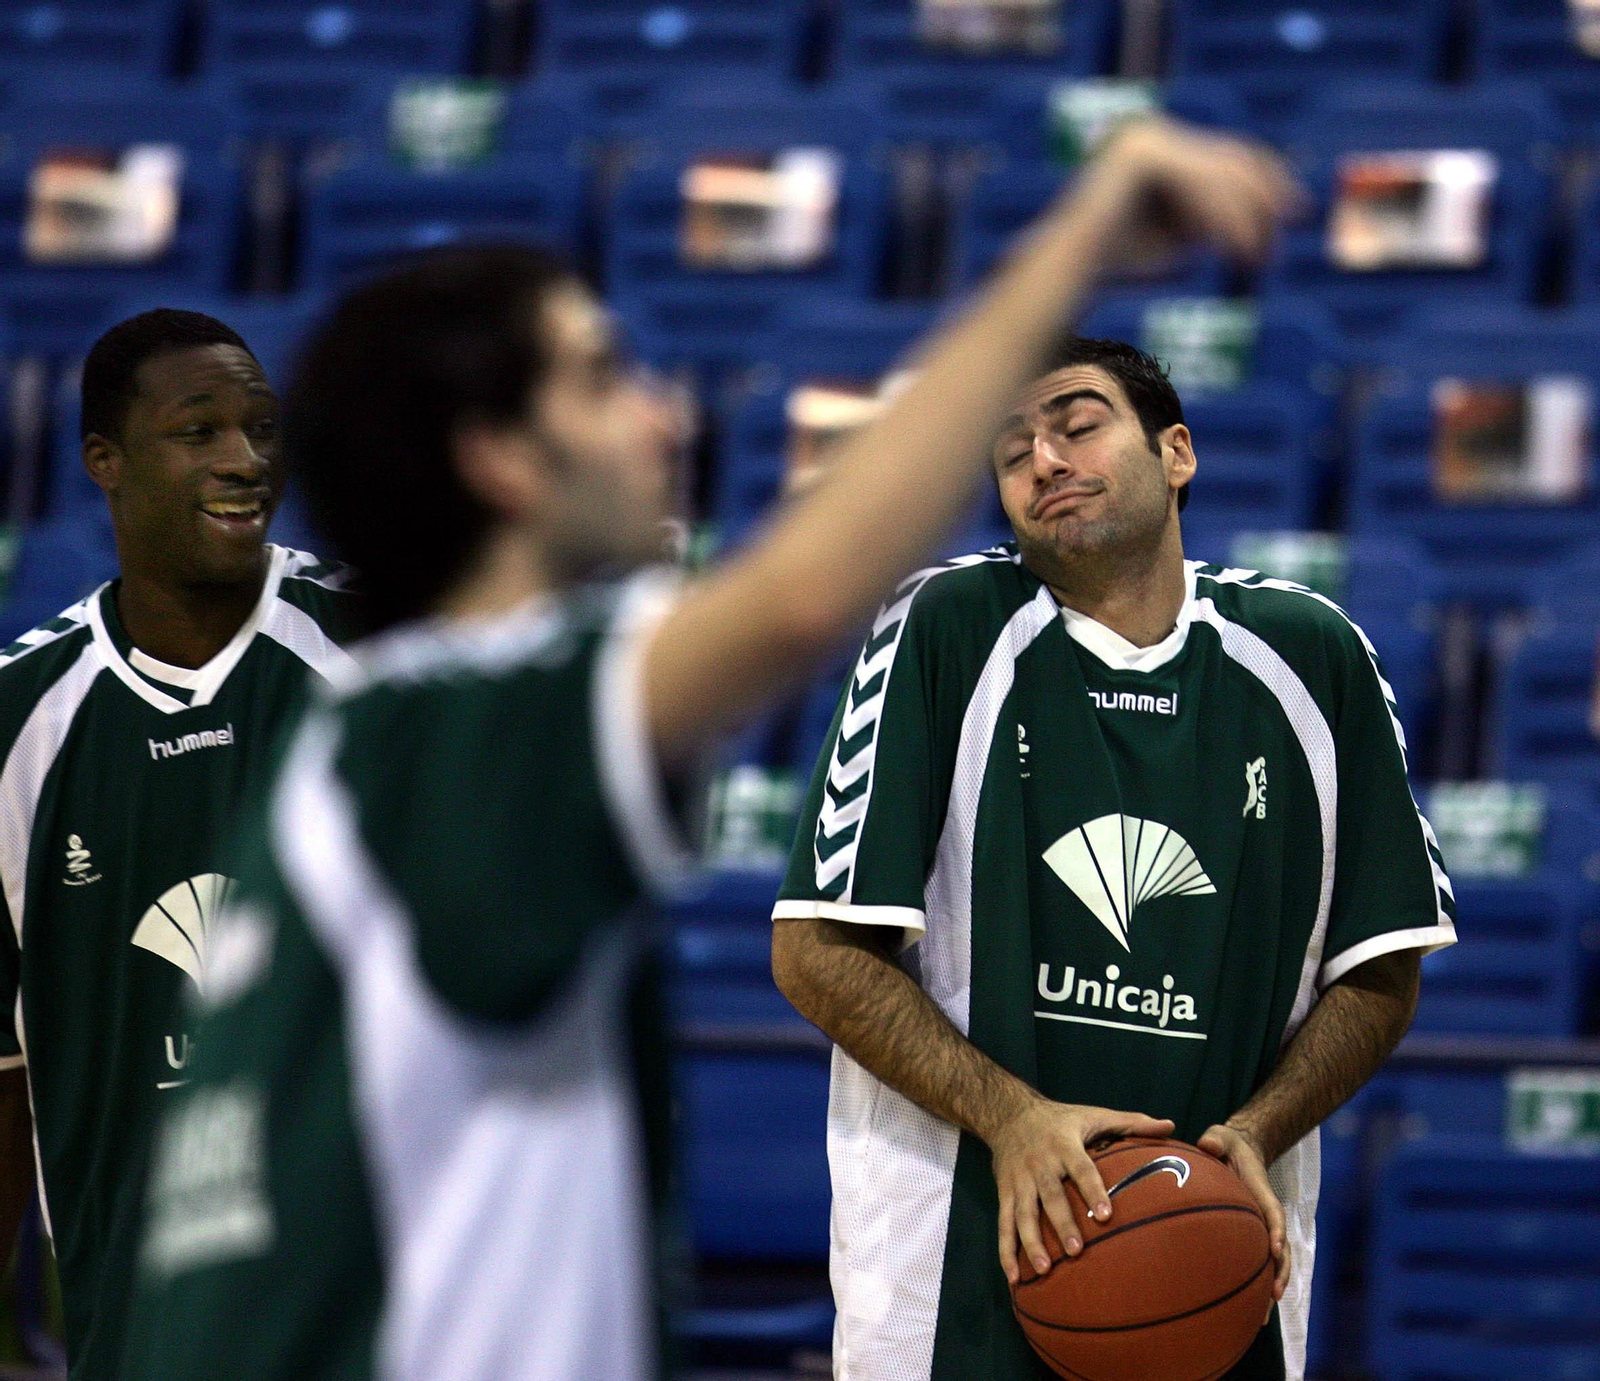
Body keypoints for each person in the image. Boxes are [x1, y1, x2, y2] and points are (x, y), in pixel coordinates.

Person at [121, 118, 1296, 1380]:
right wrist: (1083, 232)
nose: (662, 409)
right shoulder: (462, 729)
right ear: (504, 461)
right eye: (599, 376)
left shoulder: (377, 746)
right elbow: (800, 595)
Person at [771, 334, 1458, 1381]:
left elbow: (1379, 971)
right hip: (950, 1267)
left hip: (1219, 1260)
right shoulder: (942, 628)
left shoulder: (1312, 655)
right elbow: (814, 952)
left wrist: (1254, 1134)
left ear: (1175, 451)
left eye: (1077, 423)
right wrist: (1013, 1118)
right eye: (1011, 451)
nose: (1043, 458)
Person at [0, 309, 361, 1379]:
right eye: (200, 432)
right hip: (134, 1331)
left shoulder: (387, 660)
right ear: (103, 462)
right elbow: (4, 1074)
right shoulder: (20, 720)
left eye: (261, 428)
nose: (246, 461)